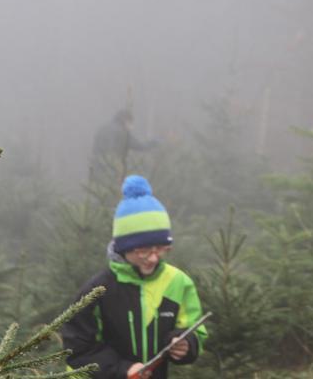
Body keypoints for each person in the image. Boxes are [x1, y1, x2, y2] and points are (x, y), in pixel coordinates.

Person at [62, 175, 207, 379]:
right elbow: (78, 349)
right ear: (122, 248)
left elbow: (194, 331)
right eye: (143, 250)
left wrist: (186, 344)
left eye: (161, 249)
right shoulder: (98, 290)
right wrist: (122, 369)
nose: (153, 258)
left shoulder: (178, 282)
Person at [90, 108, 157, 185]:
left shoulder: (102, 129)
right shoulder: (123, 133)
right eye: (131, 122)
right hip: (114, 169)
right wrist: (153, 143)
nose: (132, 126)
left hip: (98, 166)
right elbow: (140, 146)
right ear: (126, 121)